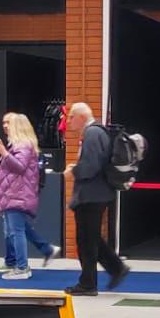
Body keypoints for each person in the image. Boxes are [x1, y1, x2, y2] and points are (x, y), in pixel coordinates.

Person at [65, 102, 128, 296]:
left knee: (86, 241)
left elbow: (91, 166)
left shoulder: (92, 134)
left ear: (82, 117)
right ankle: (116, 268)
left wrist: (74, 170)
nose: (69, 121)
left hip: (91, 195)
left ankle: (88, 284)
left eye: (71, 117)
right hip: (96, 194)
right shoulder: (97, 133)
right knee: (91, 238)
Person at [0, 112, 57, 280]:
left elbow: (20, 167)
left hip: (17, 194)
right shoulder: (17, 146)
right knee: (18, 230)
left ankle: (22, 267)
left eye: (9, 124)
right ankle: (44, 251)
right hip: (12, 194)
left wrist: (4, 154)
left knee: (16, 232)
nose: (5, 127)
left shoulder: (23, 146)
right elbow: (11, 170)